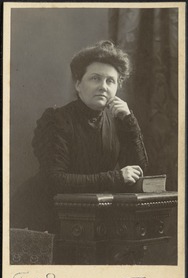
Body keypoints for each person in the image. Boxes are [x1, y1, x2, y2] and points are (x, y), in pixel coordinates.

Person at [11, 40, 148, 233]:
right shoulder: (56, 120)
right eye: (95, 78)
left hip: (90, 215)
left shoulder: (118, 121)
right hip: (42, 215)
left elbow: (138, 170)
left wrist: (129, 121)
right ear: (78, 84)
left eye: (110, 81)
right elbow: (55, 180)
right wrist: (116, 177)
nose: (103, 86)